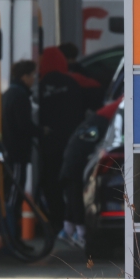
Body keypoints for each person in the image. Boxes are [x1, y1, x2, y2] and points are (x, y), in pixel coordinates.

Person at [59, 96, 123, 248]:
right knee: (74, 183)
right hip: (81, 152)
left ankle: (71, 229)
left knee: (72, 182)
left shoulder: (105, 116)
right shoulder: (124, 106)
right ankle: (79, 232)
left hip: (77, 151)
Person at [37, 47, 85, 232]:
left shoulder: (40, 86)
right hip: (72, 142)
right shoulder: (73, 83)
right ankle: (73, 221)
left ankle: (56, 220)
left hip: (49, 144)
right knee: (72, 183)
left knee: (51, 181)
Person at [2, 60, 41, 242]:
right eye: (33, 75)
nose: (34, 79)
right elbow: (24, 125)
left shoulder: (9, 94)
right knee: (13, 198)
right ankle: (12, 239)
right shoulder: (20, 96)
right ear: (24, 76)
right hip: (17, 153)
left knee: (12, 196)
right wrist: (42, 131)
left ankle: (12, 238)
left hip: (11, 152)